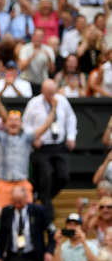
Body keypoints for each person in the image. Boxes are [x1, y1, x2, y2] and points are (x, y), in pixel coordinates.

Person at [22, 80, 77, 216]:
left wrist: (71, 136)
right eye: (48, 94)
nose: (51, 96)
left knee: (63, 176)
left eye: (53, 93)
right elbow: (25, 124)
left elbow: (71, 118)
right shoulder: (34, 103)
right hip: (42, 147)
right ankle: (47, 210)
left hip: (58, 145)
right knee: (46, 175)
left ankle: (44, 198)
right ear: (42, 91)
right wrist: (34, 137)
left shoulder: (62, 101)